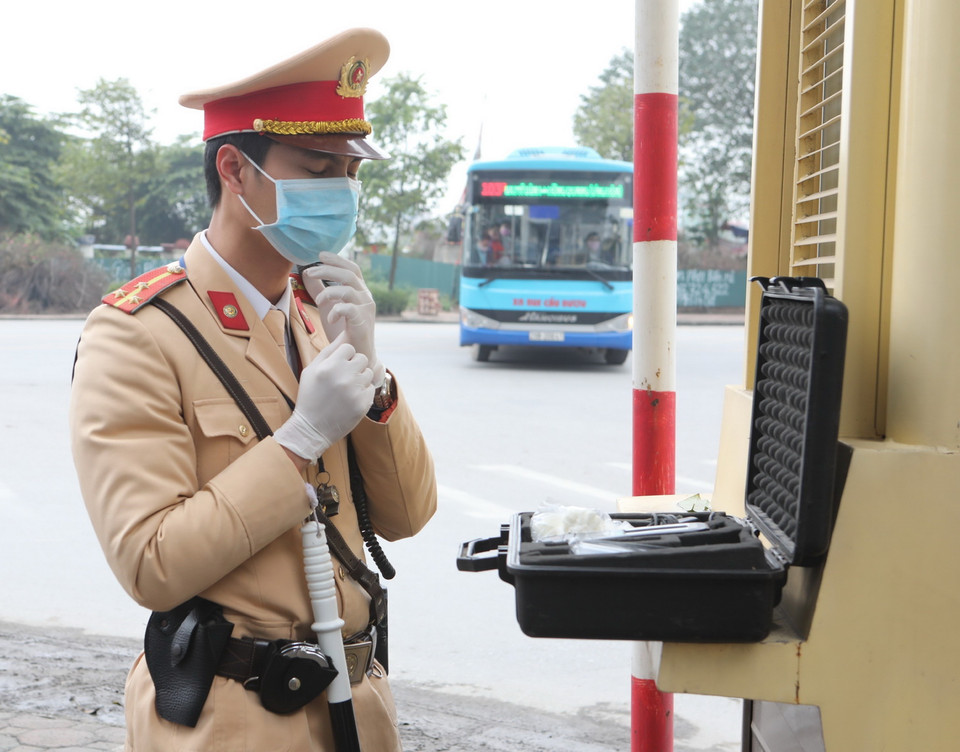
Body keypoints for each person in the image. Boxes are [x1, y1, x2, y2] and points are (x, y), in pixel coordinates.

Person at [69, 28, 437, 752]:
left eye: (351, 171)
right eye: (317, 167)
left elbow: (407, 515)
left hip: (358, 705)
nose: (342, 191)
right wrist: (299, 442)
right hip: (233, 716)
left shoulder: (317, 317)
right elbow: (151, 563)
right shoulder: (139, 334)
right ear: (235, 170)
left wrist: (374, 380)